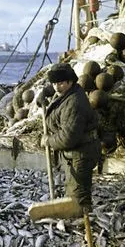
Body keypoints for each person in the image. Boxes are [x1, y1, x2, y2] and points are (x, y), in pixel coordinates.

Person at [40, 63, 101, 213]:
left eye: (60, 83)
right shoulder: (67, 92)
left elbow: (68, 137)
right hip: (73, 152)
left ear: (70, 81)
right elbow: (53, 89)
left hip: (81, 153)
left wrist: (49, 140)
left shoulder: (75, 103)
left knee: (78, 196)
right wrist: (43, 95)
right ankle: (78, 216)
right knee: (72, 187)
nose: (56, 87)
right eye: (54, 83)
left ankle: (83, 224)